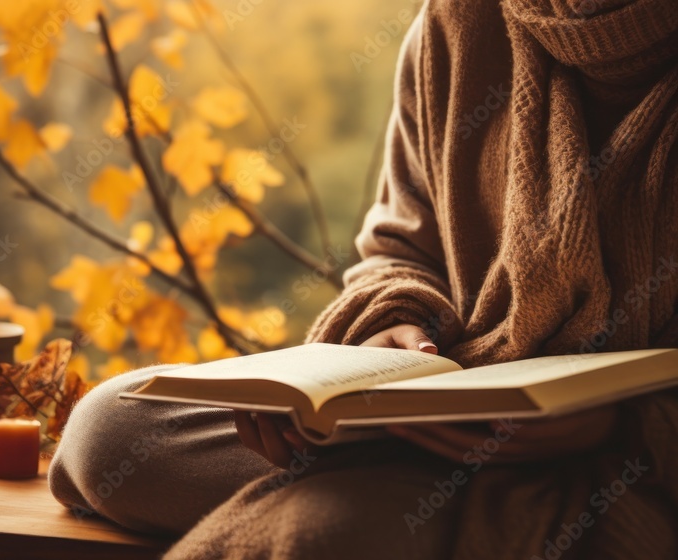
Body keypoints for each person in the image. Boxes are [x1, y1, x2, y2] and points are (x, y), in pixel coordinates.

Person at [49, 0, 678, 557]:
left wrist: (620, 428)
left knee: (325, 534)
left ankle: (455, 504)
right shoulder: (456, 23)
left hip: (634, 459)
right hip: (435, 420)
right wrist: (393, 321)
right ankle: (453, 499)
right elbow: (398, 248)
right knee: (115, 428)